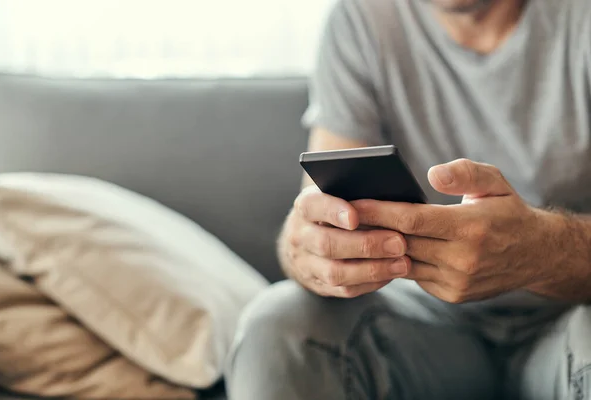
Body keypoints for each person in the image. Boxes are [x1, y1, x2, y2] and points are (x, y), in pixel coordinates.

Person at [226, 0, 591, 398]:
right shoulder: (364, 18)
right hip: (425, 325)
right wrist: (306, 251)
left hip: (570, 318)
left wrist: (543, 252)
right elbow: (315, 207)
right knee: (276, 326)